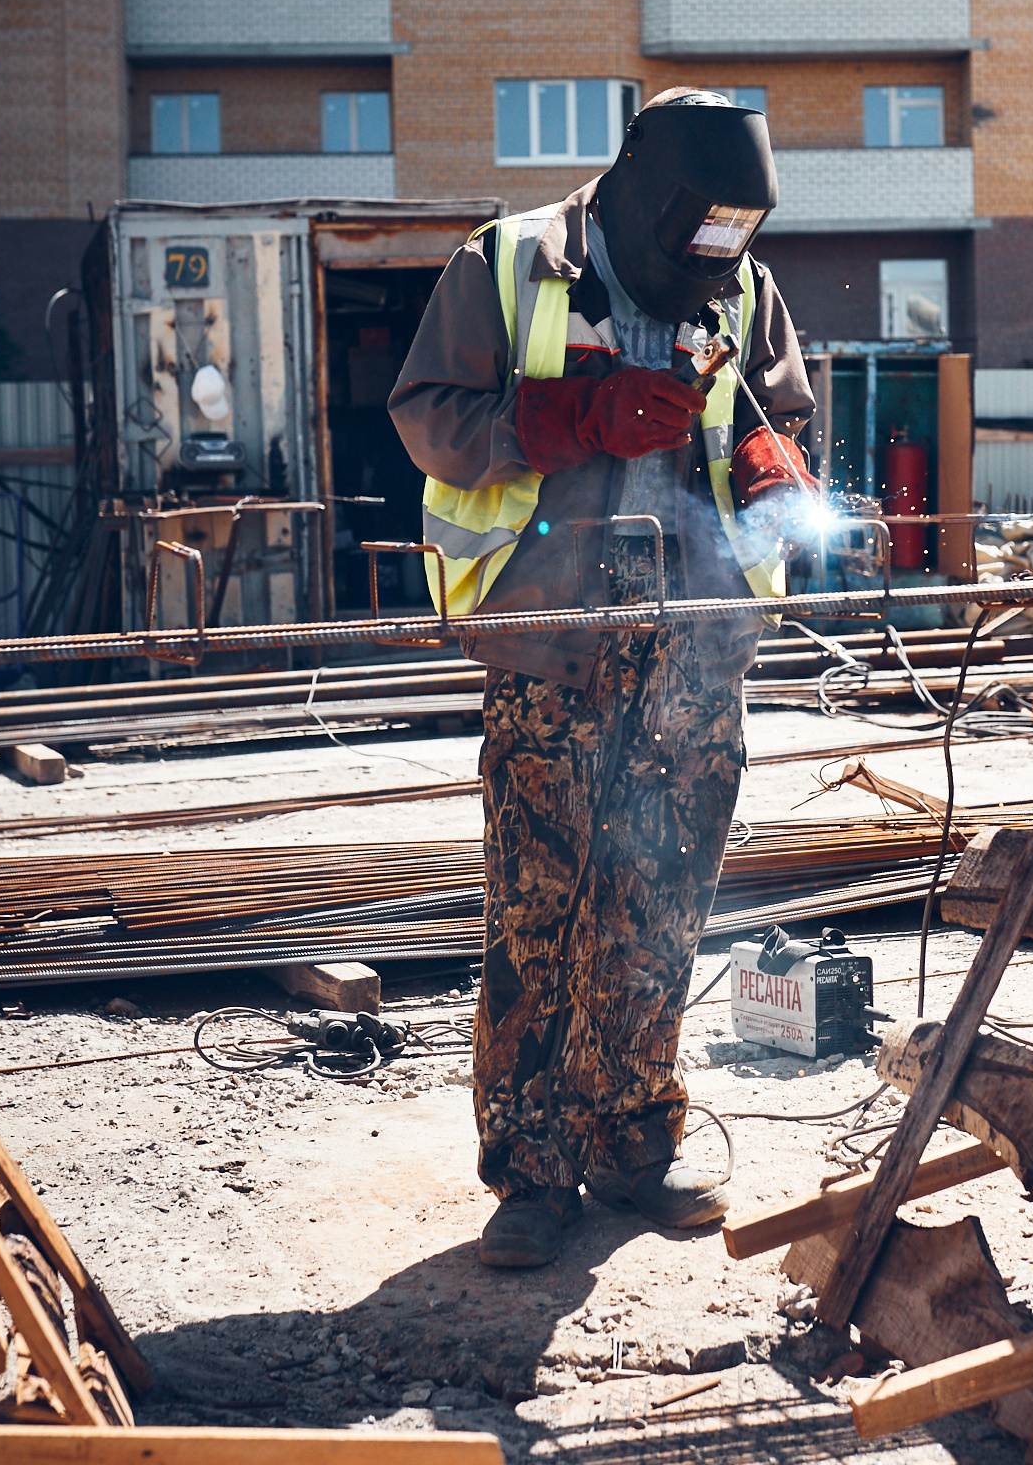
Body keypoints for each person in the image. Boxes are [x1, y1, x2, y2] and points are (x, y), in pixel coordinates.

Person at [387, 88, 820, 1269]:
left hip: (698, 634)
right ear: (642, 191)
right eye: (697, 234)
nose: (714, 262)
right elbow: (427, 414)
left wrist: (773, 455)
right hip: (558, 626)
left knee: (661, 898)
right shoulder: (511, 263)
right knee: (542, 905)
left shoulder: (744, 281)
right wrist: (567, 417)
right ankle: (529, 1175)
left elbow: (777, 408)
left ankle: (633, 1143)